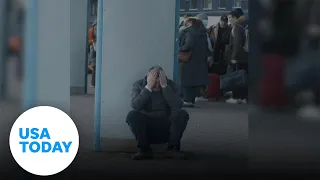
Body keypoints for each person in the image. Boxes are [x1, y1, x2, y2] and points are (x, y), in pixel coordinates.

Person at [126, 66, 189, 160]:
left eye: (159, 82)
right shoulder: (138, 85)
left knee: (182, 114)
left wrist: (165, 87)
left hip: (167, 127)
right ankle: (144, 150)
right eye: (154, 81)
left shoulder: (171, 85)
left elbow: (177, 105)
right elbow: (135, 105)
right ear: (148, 78)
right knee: (132, 115)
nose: (157, 85)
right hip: (146, 128)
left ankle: (172, 149)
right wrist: (148, 87)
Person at [179, 18, 210, 107]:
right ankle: (191, 100)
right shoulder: (203, 33)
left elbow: (189, 44)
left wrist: (180, 49)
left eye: (186, 22)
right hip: (199, 59)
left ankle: (187, 100)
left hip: (188, 59)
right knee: (194, 81)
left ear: (190, 23)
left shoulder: (190, 32)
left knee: (186, 79)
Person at [225, 11, 248, 104]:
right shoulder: (240, 27)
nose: (229, 20)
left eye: (230, 17)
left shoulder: (237, 28)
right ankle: (242, 97)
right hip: (242, 57)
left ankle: (236, 97)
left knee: (236, 78)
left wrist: (234, 57)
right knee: (240, 78)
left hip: (237, 58)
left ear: (235, 18)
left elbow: (237, 44)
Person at [88, 20, 97, 87]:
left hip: (93, 50)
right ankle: (93, 83)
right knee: (95, 67)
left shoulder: (91, 29)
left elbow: (89, 41)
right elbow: (90, 41)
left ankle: (93, 83)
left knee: (94, 67)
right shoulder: (92, 30)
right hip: (94, 50)